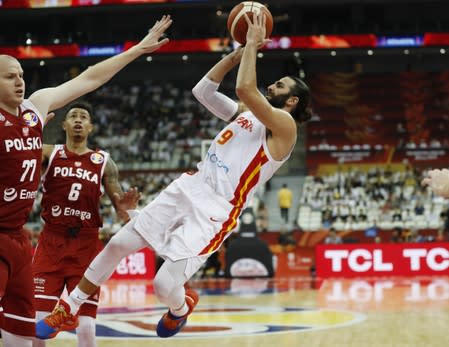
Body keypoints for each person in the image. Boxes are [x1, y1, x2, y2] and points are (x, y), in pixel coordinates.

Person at [36, 11, 312, 340]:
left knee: (164, 285)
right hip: (189, 186)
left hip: (215, 210)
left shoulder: (285, 127)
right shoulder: (245, 115)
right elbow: (203, 91)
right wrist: (234, 54)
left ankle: (181, 308)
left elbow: (245, 87)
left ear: (292, 100)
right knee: (117, 244)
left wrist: (252, 45)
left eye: (279, 85)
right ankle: (70, 307)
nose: (272, 85)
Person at [0, 15, 172, 347]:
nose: (20, 82)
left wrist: (136, 49)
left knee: (23, 336)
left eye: (21, 75)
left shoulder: (35, 108)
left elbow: (91, 78)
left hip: (21, 239)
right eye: (10, 77)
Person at [32, 102, 140, 347]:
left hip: (86, 246)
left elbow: (120, 206)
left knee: (86, 327)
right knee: (37, 325)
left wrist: (125, 207)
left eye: (83, 117)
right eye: (73, 116)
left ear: (90, 127)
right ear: (64, 125)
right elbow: (20, 153)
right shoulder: (50, 153)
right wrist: (32, 130)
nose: (78, 120)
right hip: (51, 242)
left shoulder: (103, 161)